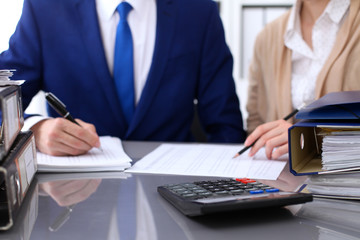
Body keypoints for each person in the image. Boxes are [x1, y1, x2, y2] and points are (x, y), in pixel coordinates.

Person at [0, 0, 246, 156]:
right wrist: (35, 130)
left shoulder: (199, 12)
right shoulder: (45, 8)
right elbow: (3, 100)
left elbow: (226, 127)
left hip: (175, 195)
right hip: (72, 198)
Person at [244, 0, 360, 160]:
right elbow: (256, 122)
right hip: (281, 180)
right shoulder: (266, 37)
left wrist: (311, 141)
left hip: (348, 181)